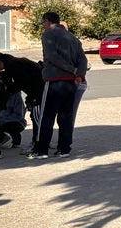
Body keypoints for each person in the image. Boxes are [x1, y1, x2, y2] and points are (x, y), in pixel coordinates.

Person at [28, 12, 88, 160]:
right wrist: (79, 75)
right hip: (71, 83)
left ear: (48, 22)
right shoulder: (73, 37)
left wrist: (70, 69)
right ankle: (64, 148)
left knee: (47, 117)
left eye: (43, 23)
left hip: (55, 80)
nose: (42, 26)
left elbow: (51, 56)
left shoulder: (48, 35)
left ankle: (42, 150)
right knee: (66, 116)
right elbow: (83, 59)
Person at [0, 52, 43, 152]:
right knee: (36, 117)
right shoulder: (13, 64)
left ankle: (38, 144)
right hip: (36, 91)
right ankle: (38, 142)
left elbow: (25, 82)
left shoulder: (13, 65)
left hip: (38, 91)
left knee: (37, 118)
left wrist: (29, 99)